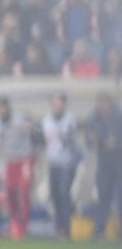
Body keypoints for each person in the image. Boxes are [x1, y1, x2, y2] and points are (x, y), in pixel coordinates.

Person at [0, 96, 36, 240]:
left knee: (23, 192)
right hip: (10, 160)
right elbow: (0, 140)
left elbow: (32, 129)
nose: (1, 111)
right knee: (9, 193)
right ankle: (14, 223)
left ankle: (24, 226)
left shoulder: (19, 118)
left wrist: (29, 127)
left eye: (3, 108)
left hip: (24, 159)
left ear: (7, 108)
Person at [41, 94, 81, 239]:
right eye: (54, 103)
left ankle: (66, 228)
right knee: (55, 195)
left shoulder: (69, 120)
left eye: (59, 103)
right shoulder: (46, 120)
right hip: (53, 162)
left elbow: (70, 141)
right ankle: (59, 227)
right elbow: (43, 140)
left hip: (66, 163)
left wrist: (63, 135)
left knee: (64, 194)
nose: (57, 106)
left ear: (63, 104)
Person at [86, 94, 122, 239]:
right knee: (103, 197)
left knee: (120, 198)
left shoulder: (118, 116)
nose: (101, 107)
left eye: (104, 104)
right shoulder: (93, 118)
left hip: (119, 161)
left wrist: (115, 142)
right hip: (104, 163)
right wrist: (102, 141)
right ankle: (99, 229)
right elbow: (90, 140)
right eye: (99, 104)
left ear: (109, 104)